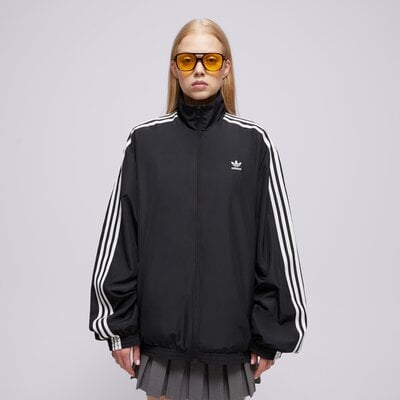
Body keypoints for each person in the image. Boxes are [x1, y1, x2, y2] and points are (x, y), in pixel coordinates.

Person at [89, 18, 308, 400]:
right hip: (160, 344)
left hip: (230, 345)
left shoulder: (254, 143)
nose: (200, 69)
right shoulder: (144, 142)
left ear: (226, 68)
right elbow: (120, 238)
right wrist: (118, 327)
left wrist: (270, 334)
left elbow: (274, 244)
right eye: (188, 60)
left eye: (211, 59)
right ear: (174, 69)